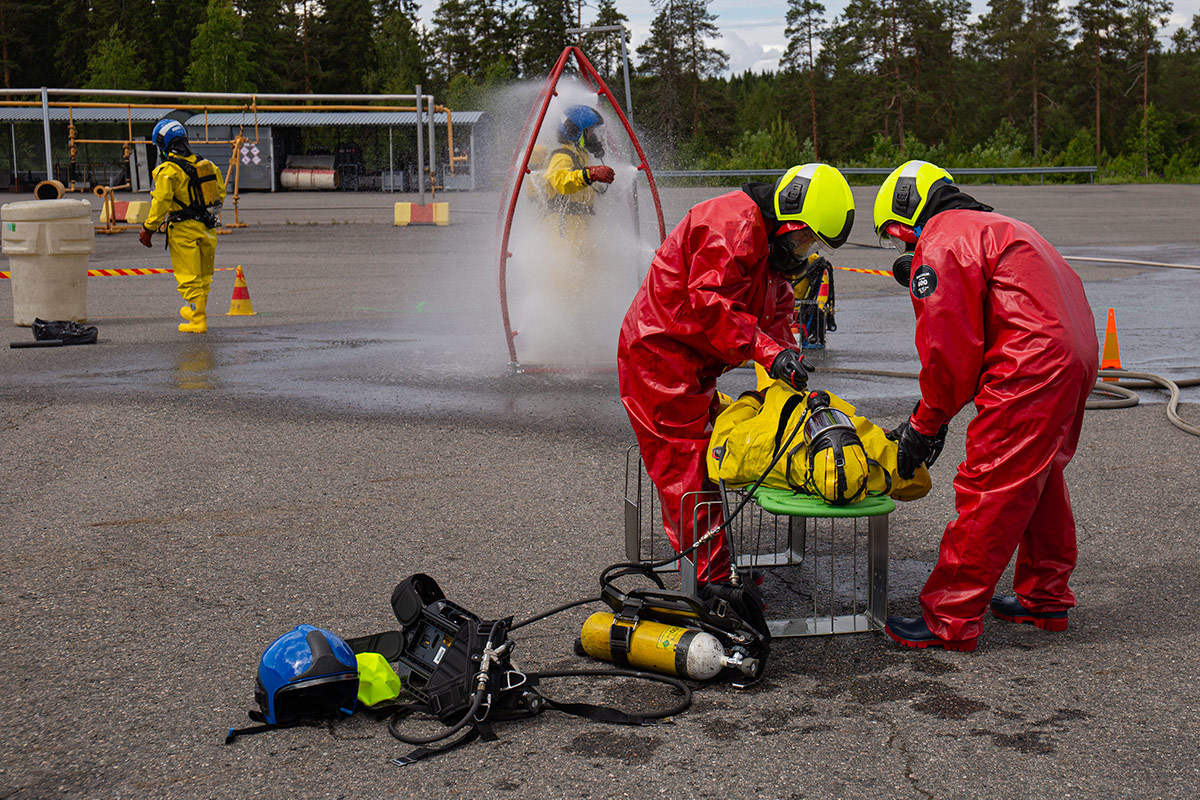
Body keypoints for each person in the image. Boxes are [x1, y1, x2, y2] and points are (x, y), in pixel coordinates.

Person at [874, 160, 1098, 652]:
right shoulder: (1005, 227)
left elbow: (949, 351)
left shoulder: (942, 239)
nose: (903, 252)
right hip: (1076, 357)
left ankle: (949, 617)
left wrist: (924, 425)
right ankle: (1045, 595)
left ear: (902, 215)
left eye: (896, 240)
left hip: (1030, 365)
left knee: (991, 481)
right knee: (1039, 475)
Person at [617, 163, 855, 587]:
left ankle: (714, 573)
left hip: (691, 363)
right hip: (659, 357)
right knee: (687, 472)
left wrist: (788, 371)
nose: (805, 251)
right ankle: (711, 587)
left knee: (707, 460)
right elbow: (710, 304)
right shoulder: (730, 225)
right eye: (805, 240)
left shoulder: (769, 246)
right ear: (791, 220)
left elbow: (775, 316)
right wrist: (769, 353)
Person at [140, 119, 227, 334]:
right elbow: (220, 194)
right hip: (208, 229)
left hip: (183, 230)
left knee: (189, 278)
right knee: (204, 277)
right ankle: (197, 312)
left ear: (162, 144)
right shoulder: (207, 165)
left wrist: (148, 228)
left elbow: (160, 202)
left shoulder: (168, 170)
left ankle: (197, 320)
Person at [542, 105, 615, 242]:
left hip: (578, 224)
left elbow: (582, 188)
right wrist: (590, 175)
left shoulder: (580, 156)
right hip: (564, 226)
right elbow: (562, 182)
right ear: (575, 132)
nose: (593, 137)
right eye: (590, 132)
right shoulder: (562, 156)